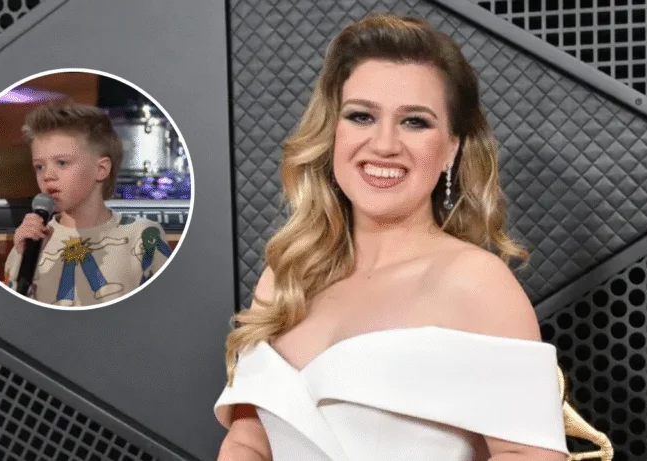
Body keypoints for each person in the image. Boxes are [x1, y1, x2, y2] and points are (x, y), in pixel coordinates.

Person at [214, 14, 578, 461]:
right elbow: (248, 440)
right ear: (332, 132)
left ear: (451, 148)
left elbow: (530, 456)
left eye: (415, 122)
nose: (384, 144)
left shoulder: (476, 282)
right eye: (361, 116)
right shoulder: (287, 272)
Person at [2, 102, 172, 306]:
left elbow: (166, 309)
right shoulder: (30, 241)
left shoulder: (142, 236)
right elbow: (11, 316)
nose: (47, 175)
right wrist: (23, 257)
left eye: (62, 163)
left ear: (101, 169)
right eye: (39, 166)